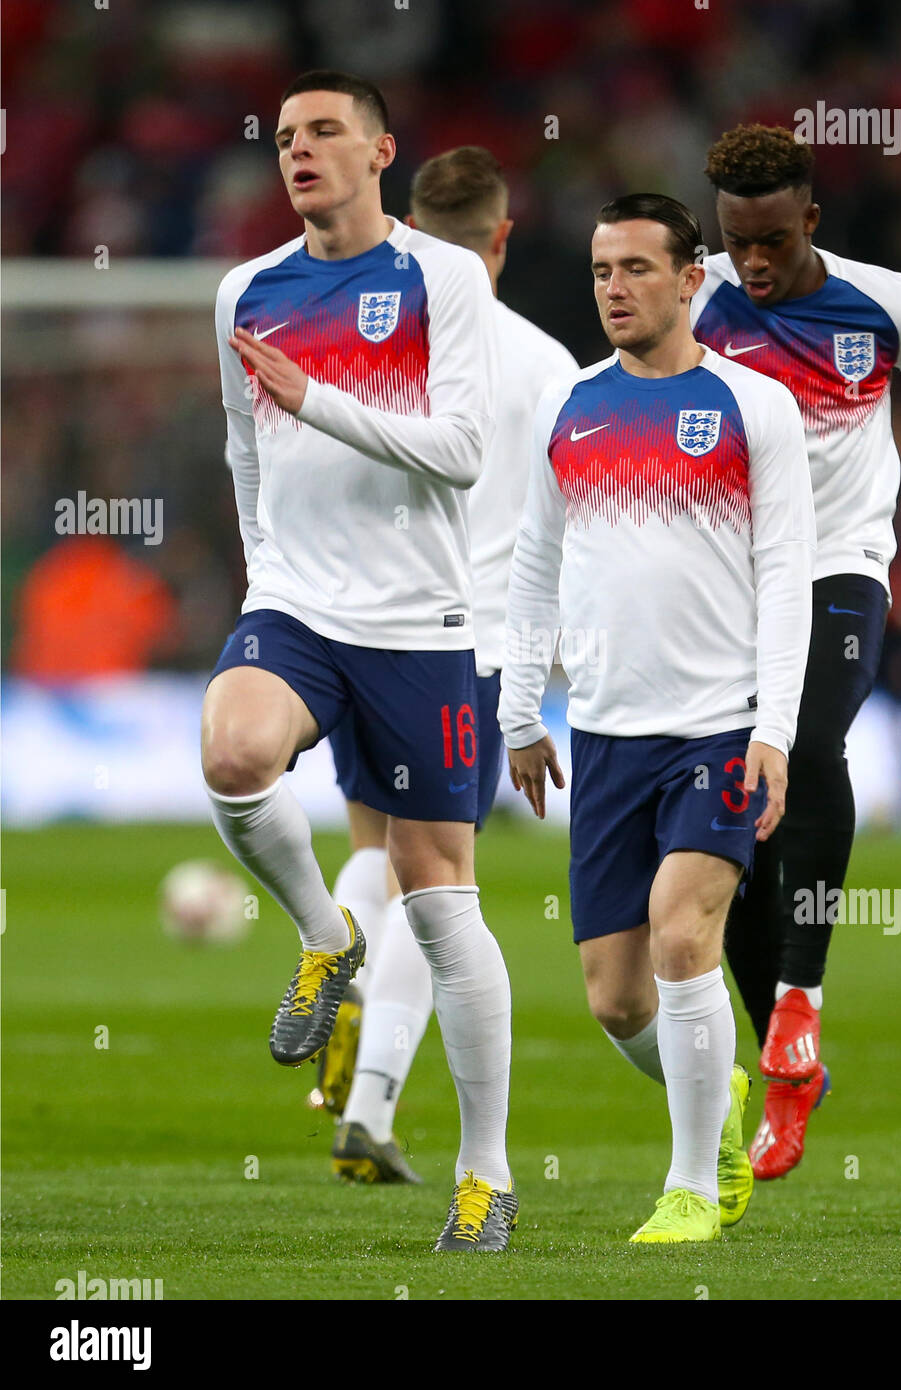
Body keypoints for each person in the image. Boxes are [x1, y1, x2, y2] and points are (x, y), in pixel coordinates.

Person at [203, 70, 515, 1252]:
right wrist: (259, 576)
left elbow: (464, 452)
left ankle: (483, 1174)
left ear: (381, 150)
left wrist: (320, 400)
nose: (300, 149)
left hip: (421, 624)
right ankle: (325, 938)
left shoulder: (437, 277)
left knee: (441, 903)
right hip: (295, 603)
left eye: (325, 130)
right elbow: (244, 447)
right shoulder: (248, 287)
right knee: (234, 754)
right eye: (284, 136)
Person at [499, 193, 815, 1243]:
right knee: (614, 998)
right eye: (600, 270)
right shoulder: (567, 407)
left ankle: (687, 1185)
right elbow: (534, 566)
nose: (614, 288)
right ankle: (716, 1092)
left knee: (685, 933)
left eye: (636, 268)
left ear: (691, 280)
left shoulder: (750, 405)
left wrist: (773, 727)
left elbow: (786, 580)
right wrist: (517, 710)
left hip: (718, 728)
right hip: (606, 734)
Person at [692, 124, 901, 1179]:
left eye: (770, 239)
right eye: (736, 240)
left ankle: (801, 998)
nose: (753, 262)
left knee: (806, 750)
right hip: (722, 579)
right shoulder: (692, 299)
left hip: (839, 568)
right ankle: (784, 1060)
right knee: (727, 819)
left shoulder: (888, 305)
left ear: (808, 220)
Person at [319, 146, 577, 1187]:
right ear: (502, 236)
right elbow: (576, 525)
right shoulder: (547, 364)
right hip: (468, 650)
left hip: (357, 628)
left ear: (412, 228)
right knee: (441, 886)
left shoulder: (372, 346)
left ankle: (324, 962)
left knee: (377, 854)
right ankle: (371, 1105)